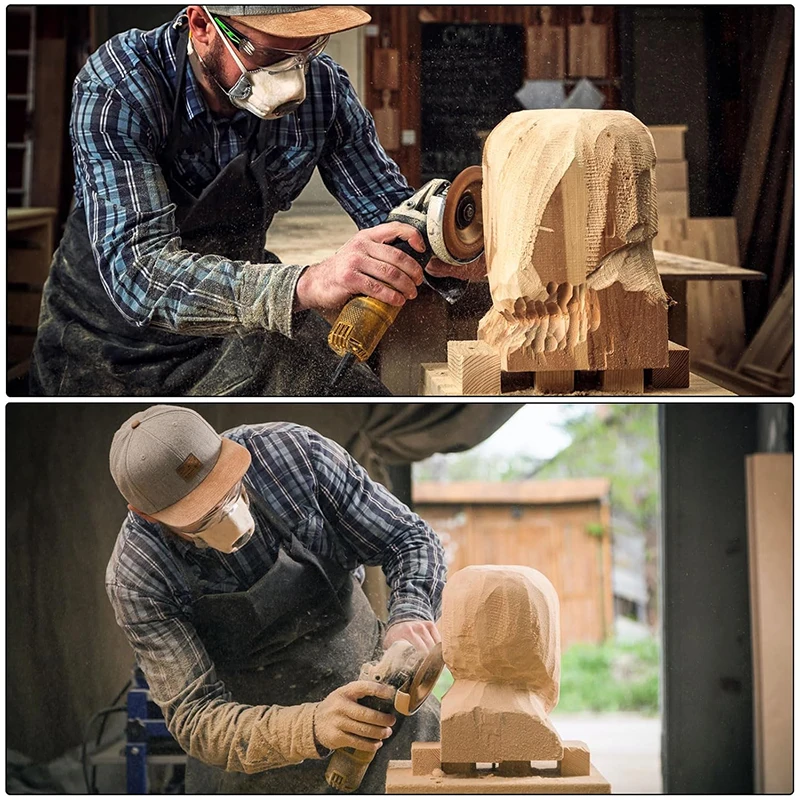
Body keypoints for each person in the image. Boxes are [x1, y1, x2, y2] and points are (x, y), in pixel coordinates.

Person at [29, 5, 445, 397]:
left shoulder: (322, 90)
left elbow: (393, 214)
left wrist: (443, 241)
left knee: (348, 387)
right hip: (109, 341)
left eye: (308, 49)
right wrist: (308, 283)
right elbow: (140, 274)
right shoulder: (121, 84)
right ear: (202, 25)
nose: (292, 77)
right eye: (270, 53)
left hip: (243, 323)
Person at [106, 404, 445, 792]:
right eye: (201, 518)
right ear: (148, 516)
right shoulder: (138, 577)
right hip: (256, 753)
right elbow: (196, 717)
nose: (229, 517)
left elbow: (408, 540)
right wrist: (311, 727)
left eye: (228, 489)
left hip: (381, 712)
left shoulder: (295, 455)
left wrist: (410, 613)